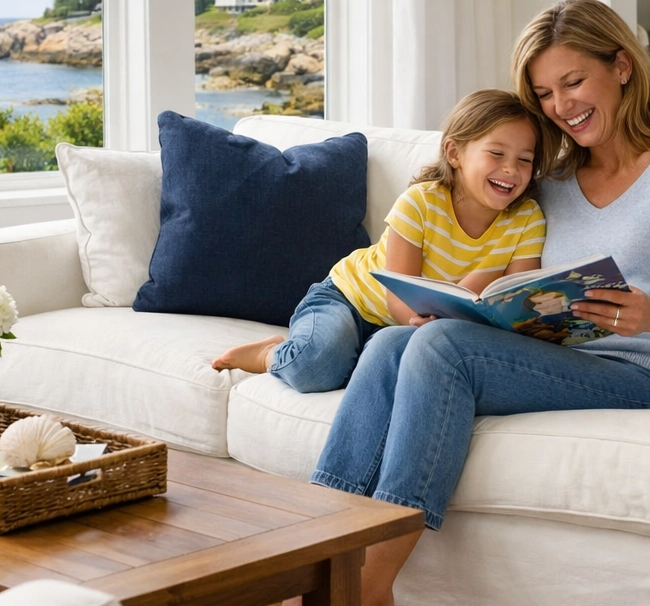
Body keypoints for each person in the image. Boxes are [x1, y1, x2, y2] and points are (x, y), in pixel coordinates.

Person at [256, 0, 650, 606]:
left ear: (622, 66)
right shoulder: (548, 181)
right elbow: (480, 229)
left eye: (573, 82)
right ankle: (318, 566)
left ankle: (372, 588)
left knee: (439, 347)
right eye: (544, 92)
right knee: (390, 342)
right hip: (570, 356)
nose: (560, 105)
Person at [212, 89, 552, 392]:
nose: (511, 169)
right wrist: (416, 322)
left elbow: (515, 295)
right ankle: (270, 352)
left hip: (419, 326)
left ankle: (339, 350)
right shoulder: (420, 203)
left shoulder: (526, 219)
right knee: (316, 369)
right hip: (352, 300)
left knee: (394, 375)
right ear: (454, 153)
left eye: (525, 159)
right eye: (496, 154)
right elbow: (398, 293)